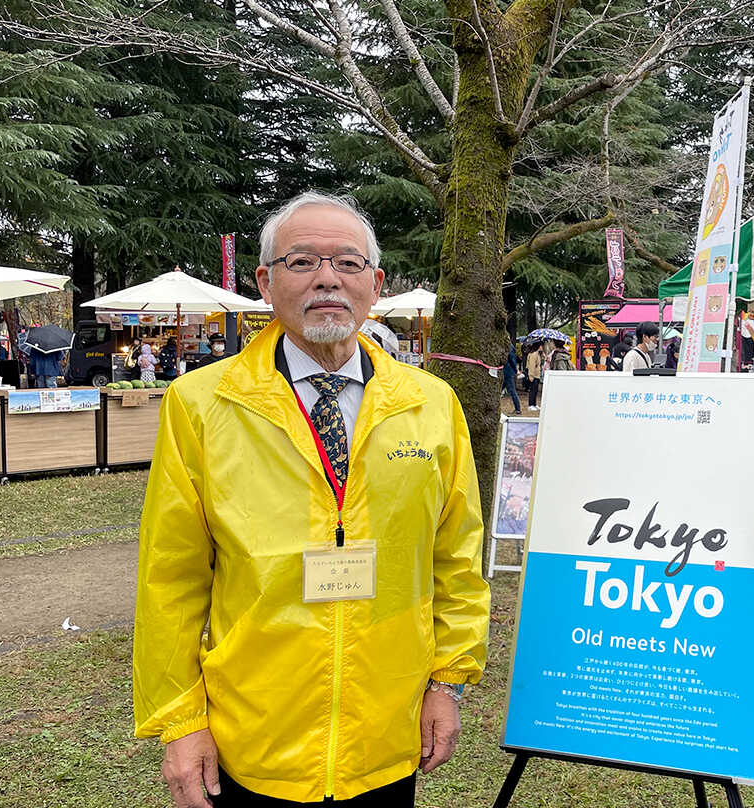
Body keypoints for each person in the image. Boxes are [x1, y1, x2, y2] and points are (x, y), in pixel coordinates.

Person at [133, 191, 490, 807]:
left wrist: (448, 683)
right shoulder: (201, 405)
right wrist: (180, 720)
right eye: (302, 262)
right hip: (254, 740)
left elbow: (455, 558)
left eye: (348, 264)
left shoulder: (432, 405)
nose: (328, 279)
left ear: (374, 284)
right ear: (266, 282)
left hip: (385, 732)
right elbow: (171, 578)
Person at [502, 343, 521, 415]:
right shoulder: (509, 346)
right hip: (507, 371)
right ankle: (518, 409)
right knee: (500, 390)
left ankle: (518, 409)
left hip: (508, 372)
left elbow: (512, 360)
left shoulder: (509, 347)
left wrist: (515, 370)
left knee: (512, 391)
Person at [525, 342, 545, 411]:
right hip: (534, 375)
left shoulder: (538, 354)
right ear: (538, 346)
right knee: (532, 391)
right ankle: (530, 404)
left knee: (535, 390)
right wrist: (531, 376)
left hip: (537, 375)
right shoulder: (533, 355)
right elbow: (531, 366)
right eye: (541, 346)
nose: (542, 347)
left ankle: (534, 404)